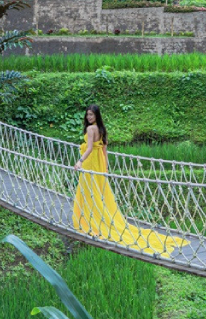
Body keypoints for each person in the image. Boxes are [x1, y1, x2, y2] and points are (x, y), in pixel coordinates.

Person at [72, 105, 188, 257]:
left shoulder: (91, 129)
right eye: (88, 115)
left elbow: (88, 149)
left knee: (89, 191)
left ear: (96, 116)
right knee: (97, 192)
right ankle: (95, 217)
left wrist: (80, 161)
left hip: (90, 162)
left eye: (91, 115)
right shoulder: (101, 129)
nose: (89, 118)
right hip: (99, 164)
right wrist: (105, 168)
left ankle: (89, 220)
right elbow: (104, 151)